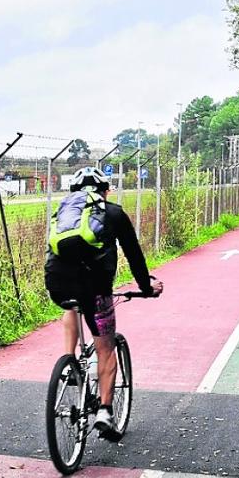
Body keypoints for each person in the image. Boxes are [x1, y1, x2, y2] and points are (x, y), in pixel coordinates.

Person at [44, 166, 163, 436]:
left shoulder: (62, 213)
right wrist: (147, 286)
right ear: (105, 191)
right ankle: (106, 412)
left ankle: (69, 361)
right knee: (106, 347)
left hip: (57, 285)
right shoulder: (113, 213)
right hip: (95, 288)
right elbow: (134, 255)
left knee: (72, 305)